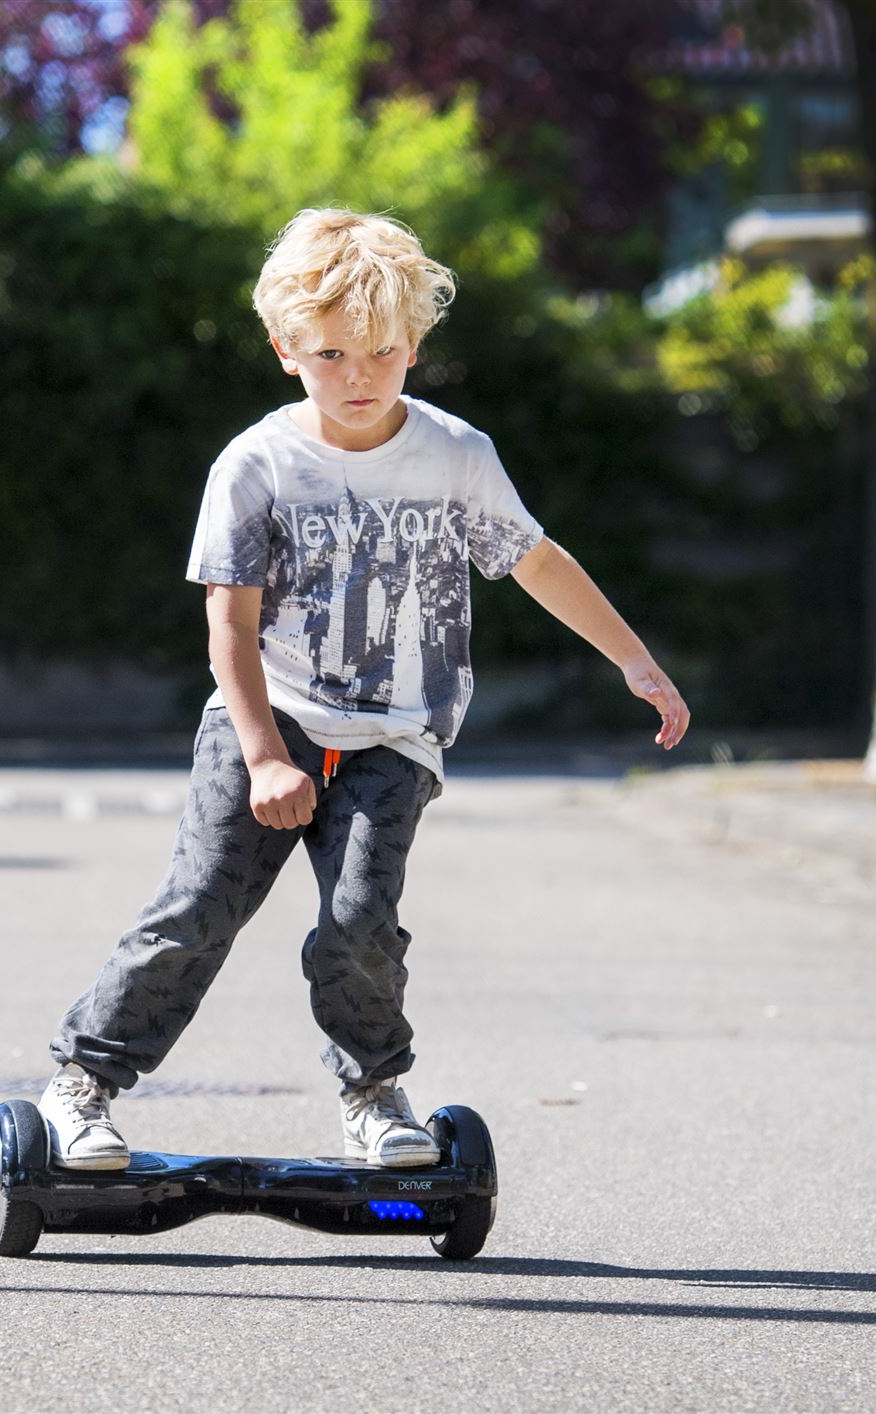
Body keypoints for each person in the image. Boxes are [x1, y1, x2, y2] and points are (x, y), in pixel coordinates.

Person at [40, 208, 690, 1170]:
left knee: (360, 928)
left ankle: (375, 1094)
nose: (359, 376)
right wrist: (262, 753)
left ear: (415, 345)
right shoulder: (257, 463)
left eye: (383, 352)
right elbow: (230, 620)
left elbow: (536, 559)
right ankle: (81, 1087)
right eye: (333, 353)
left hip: (393, 739)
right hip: (268, 722)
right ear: (285, 350)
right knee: (199, 910)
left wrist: (634, 658)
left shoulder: (455, 454)